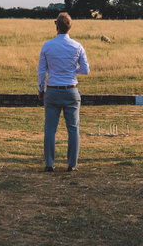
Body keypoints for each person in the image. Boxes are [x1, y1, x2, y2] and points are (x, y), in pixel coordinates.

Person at [37, 12, 89, 172]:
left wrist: (41, 89)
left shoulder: (47, 46)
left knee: (50, 129)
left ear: (57, 26)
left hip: (52, 90)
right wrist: (72, 70)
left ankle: (49, 164)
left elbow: (41, 71)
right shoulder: (77, 46)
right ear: (69, 27)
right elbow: (86, 70)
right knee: (73, 128)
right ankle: (72, 164)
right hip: (71, 90)